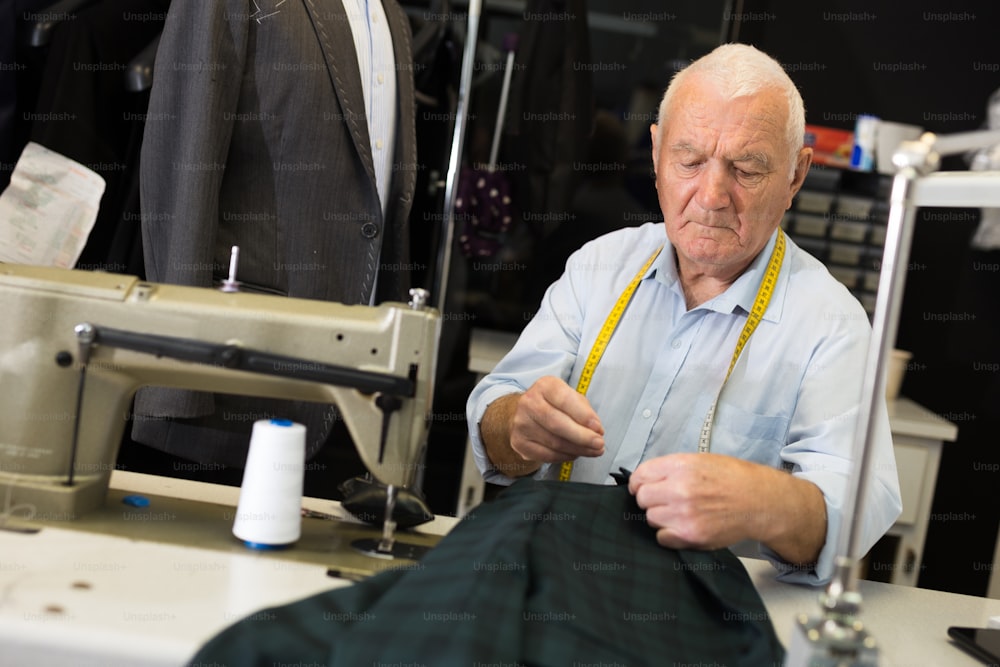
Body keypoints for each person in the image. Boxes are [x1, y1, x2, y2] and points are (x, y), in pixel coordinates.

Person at [466, 43, 902, 585]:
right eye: (690, 160)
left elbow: (860, 501)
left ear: (796, 176)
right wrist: (518, 426)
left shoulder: (829, 322)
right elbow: (494, 421)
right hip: (554, 583)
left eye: (746, 169)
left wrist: (763, 501)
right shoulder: (599, 267)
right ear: (655, 154)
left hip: (698, 620)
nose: (712, 195)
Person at [123, 0, 418, 489]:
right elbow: (184, 164)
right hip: (233, 392)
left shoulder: (395, 19)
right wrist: (175, 383)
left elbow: (379, 211)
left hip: (356, 411)